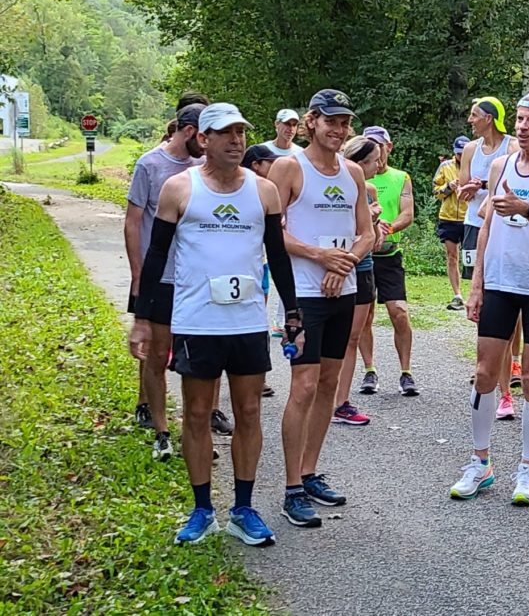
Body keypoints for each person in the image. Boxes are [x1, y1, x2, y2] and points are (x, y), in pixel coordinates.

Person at [129, 102, 303, 547]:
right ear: (202, 139)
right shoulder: (178, 188)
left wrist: (293, 312)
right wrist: (144, 319)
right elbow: (155, 257)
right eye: (225, 133)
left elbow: (278, 258)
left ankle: (243, 508)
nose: (236, 140)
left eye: (241, 132)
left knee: (248, 411)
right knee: (199, 413)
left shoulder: (264, 192)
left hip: (245, 321)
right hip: (197, 320)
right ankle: (202, 509)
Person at [450, 91, 529, 505]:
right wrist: (476, 284)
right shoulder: (501, 165)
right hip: (500, 282)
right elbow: (486, 226)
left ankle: (527, 469)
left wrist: (523, 207)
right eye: (520, 119)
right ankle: (480, 462)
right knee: (485, 371)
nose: (523, 127)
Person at [269, 90, 373, 528]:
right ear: (311, 122)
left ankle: (310, 472)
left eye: (345, 122)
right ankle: (291, 488)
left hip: (342, 289)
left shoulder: (352, 172)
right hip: (303, 292)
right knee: (304, 385)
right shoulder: (289, 167)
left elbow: (368, 232)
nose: (338, 129)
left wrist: (345, 260)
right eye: (330, 121)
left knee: (329, 383)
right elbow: (271, 232)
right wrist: (319, 256)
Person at [126, 102, 214, 458]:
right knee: (158, 354)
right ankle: (161, 431)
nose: (209, 145)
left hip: (195, 278)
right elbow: (133, 222)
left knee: (198, 357)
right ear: (191, 132)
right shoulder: (150, 164)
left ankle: (196, 430)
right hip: (159, 276)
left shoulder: (202, 168)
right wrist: (138, 274)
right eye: (204, 136)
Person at [458, 97, 526, 409]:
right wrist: (469, 188)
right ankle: (486, 360)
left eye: (474, 115)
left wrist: (483, 182)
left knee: (508, 293)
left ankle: (513, 358)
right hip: (475, 223)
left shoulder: (511, 146)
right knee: (480, 295)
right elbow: (462, 186)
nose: (470, 120)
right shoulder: (471, 149)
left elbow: (514, 180)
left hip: (503, 224)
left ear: (490, 118)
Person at [358, 126, 418, 397]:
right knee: (364, 316)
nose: (376, 150)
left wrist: (388, 229)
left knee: (398, 311)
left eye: (379, 145)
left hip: (389, 254)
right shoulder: (355, 176)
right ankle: (369, 370)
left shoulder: (400, 177)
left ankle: (406, 372)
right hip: (363, 254)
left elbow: (408, 213)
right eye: (369, 144)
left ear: (388, 147)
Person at [332, 136, 386, 427]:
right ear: (358, 161)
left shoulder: (371, 189)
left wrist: (376, 222)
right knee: (330, 337)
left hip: (363, 267)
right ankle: (321, 396)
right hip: (334, 265)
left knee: (352, 337)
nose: (378, 164)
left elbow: (373, 240)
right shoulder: (338, 186)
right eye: (373, 160)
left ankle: (341, 402)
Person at [242, 144, 282, 398]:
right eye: (270, 162)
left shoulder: (270, 192)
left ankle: (259, 377)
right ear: (256, 165)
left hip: (263, 264)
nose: (275, 167)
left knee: (258, 319)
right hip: (242, 267)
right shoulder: (241, 191)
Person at [433, 135, 470, 310]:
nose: (461, 156)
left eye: (464, 153)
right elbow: (436, 191)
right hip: (448, 217)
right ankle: (457, 295)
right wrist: (448, 187)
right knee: (452, 256)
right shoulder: (445, 166)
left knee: (472, 258)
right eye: (459, 153)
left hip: (470, 217)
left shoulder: (476, 165)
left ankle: (475, 294)